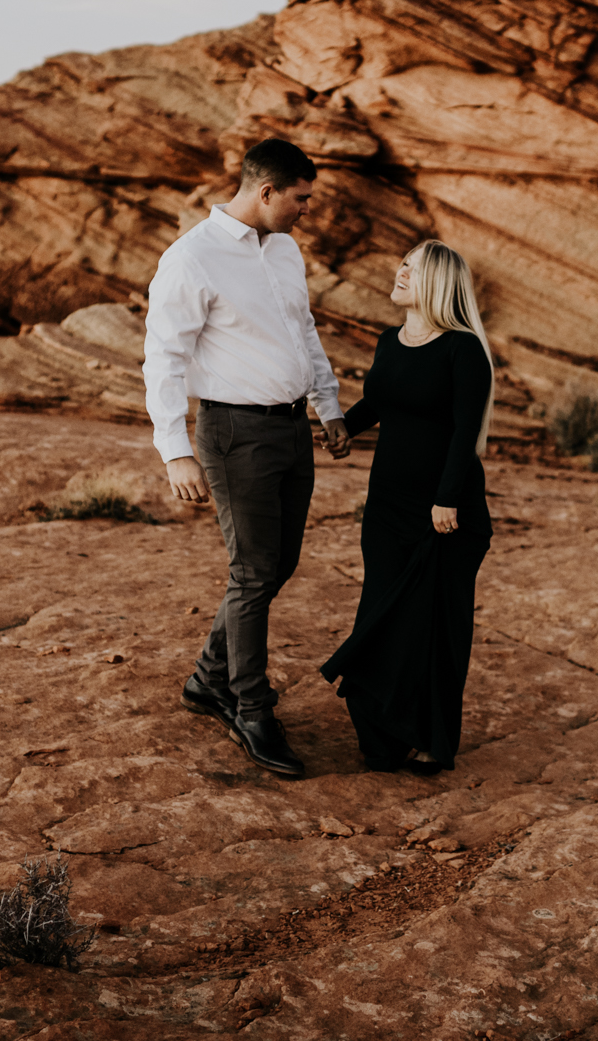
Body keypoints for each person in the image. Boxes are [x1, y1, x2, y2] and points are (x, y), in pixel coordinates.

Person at [143, 138, 351, 778]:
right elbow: (164, 358)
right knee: (256, 569)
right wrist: (176, 451)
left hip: (290, 429)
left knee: (277, 562)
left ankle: (210, 677)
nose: (306, 211)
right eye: (301, 199)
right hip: (233, 433)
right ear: (266, 192)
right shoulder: (191, 259)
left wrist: (329, 404)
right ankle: (249, 706)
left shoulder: (285, 250)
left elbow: (304, 331)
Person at [320, 240, 494, 774]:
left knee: (434, 622)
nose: (398, 273)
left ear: (437, 283)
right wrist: (344, 426)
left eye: (410, 269)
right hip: (387, 505)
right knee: (382, 613)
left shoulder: (463, 349)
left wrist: (446, 499)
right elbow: (380, 399)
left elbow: (466, 430)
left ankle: (428, 738)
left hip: (446, 513)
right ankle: (381, 736)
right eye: (400, 263)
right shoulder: (389, 340)